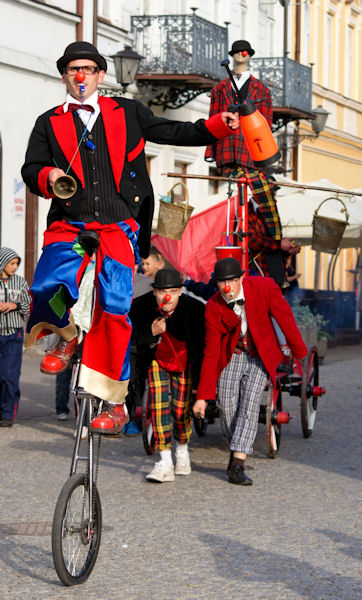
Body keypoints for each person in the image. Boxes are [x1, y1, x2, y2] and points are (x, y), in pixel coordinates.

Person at [21, 41, 239, 435]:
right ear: (65, 77)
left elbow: (175, 130)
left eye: (88, 68)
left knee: (116, 306)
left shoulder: (128, 112)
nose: (81, 76)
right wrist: (49, 176)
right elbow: (30, 167)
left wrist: (219, 124)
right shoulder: (49, 122)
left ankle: (114, 402)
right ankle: (65, 337)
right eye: (73, 70)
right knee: (50, 282)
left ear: (101, 75)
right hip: (71, 226)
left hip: (119, 226)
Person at [193, 258, 307, 486]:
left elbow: (284, 317)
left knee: (251, 399)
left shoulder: (264, 287)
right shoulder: (213, 306)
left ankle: (237, 464)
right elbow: (211, 353)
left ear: (241, 279)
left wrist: (298, 351)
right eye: (222, 282)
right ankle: (238, 445)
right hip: (232, 356)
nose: (228, 287)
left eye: (232, 281)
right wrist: (203, 397)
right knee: (225, 405)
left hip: (261, 354)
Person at [130, 269, 205, 482]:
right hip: (156, 360)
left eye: (172, 291)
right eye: (162, 291)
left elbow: (201, 345)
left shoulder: (195, 309)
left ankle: (182, 450)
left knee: (180, 409)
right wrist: (150, 333)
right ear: (154, 292)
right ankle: (164, 461)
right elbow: (133, 339)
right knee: (159, 406)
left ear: (180, 291)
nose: (167, 297)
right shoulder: (140, 307)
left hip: (184, 362)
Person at [205, 39, 282, 243]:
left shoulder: (261, 89)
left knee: (258, 192)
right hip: (227, 148)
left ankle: (269, 235)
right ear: (232, 56)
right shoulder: (221, 88)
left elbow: (267, 122)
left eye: (245, 52)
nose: (241, 55)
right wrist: (209, 151)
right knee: (232, 197)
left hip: (251, 149)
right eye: (237, 52)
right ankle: (231, 233)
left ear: (249, 55)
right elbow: (213, 118)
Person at [0, 248, 31, 426]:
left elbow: (29, 305)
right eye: (11, 264)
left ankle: (7, 414)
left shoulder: (20, 282)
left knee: (9, 376)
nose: (14, 267)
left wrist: (15, 305)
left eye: (16, 264)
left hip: (13, 334)